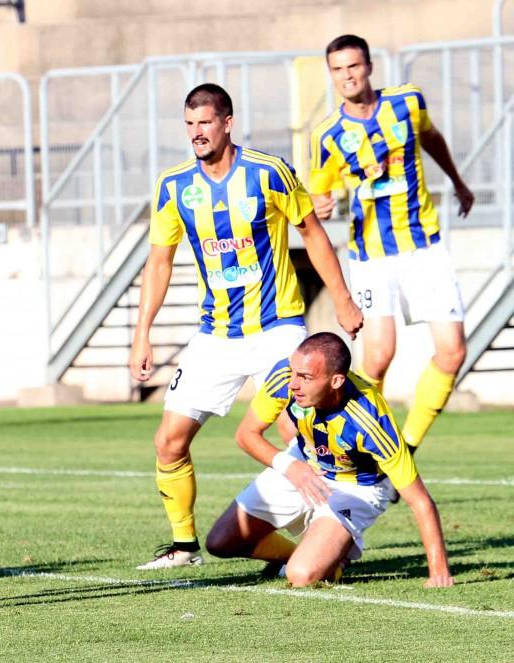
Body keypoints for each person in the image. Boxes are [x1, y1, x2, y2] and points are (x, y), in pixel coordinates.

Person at [130, 83, 364, 570]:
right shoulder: (174, 187)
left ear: (227, 122)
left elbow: (312, 234)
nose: (197, 132)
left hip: (276, 327)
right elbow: (159, 262)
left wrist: (341, 298)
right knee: (168, 441)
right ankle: (184, 547)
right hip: (215, 334)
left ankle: (332, 534)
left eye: (205, 123)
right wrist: (141, 332)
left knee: (292, 428)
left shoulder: (268, 172)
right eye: (189, 124)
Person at [309, 34, 474, 452]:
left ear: (368, 67)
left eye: (353, 66)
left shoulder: (408, 102)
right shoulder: (327, 134)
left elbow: (431, 139)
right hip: (371, 256)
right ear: (331, 75)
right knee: (379, 356)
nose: (347, 75)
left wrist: (457, 181)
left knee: (452, 352)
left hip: (424, 246)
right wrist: (322, 204)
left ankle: (406, 445)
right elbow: (318, 195)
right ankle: (363, 446)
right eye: (338, 69)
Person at [204, 332, 453, 588]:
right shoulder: (284, 377)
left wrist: (438, 572)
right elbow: (246, 434)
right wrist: (291, 467)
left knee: (300, 576)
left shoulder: (371, 421)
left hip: (356, 487)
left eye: (305, 377)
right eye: (293, 372)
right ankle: (305, 556)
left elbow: (420, 501)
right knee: (220, 542)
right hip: (301, 462)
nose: (293, 384)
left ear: (336, 381)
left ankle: (335, 558)